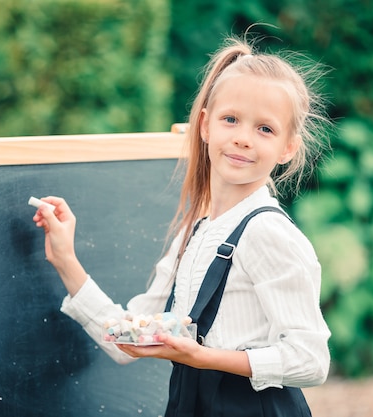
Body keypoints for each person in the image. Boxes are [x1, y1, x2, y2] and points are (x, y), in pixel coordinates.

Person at [32, 32, 332, 416]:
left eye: (265, 129)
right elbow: (126, 339)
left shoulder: (269, 234)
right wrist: (64, 259)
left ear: (287, 147)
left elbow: (310, 360)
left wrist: (207, 357)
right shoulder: (195, 235)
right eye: (231, 120)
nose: (243, 138)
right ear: (205, 126)